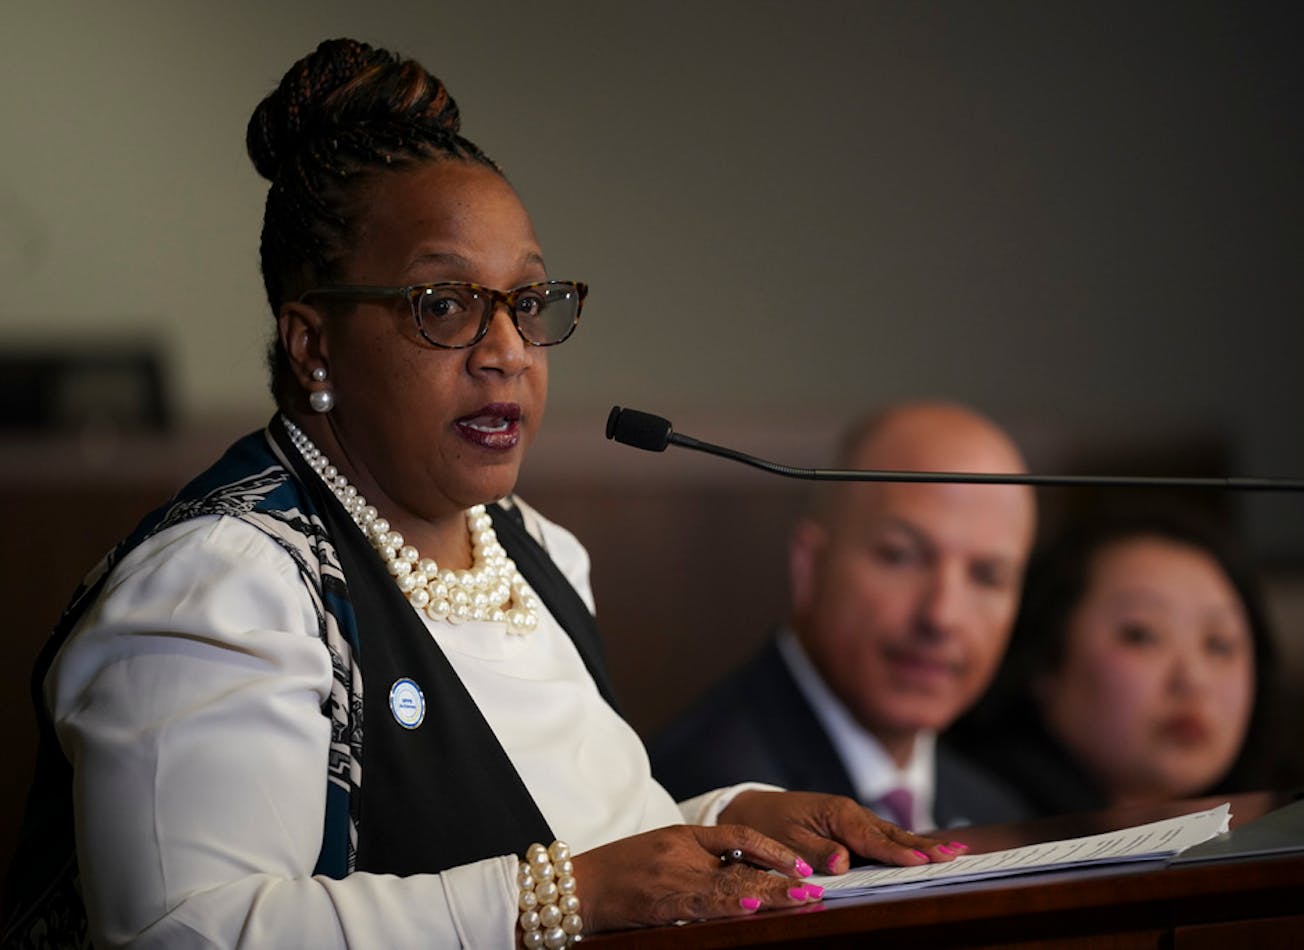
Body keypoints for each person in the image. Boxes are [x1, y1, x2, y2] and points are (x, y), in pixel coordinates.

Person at [0, 38, 964, 949]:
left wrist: (726, 822)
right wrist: (566, 901)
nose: (506, 352)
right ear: (314, 347)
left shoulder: (530, 546)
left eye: (527, 301)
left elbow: (540, 835)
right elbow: (185, 931)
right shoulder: (223, 584)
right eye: (444, 306)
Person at [649, 402, 1037, 831]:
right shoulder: (706, 801)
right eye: (901, 556)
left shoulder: (997, 811)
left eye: (987, 576)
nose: (942, 616)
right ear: (808, 565)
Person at [953, 509, 1280, 816]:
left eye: (1220, 645)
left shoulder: (1279, 834)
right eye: (1143, 635)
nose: (1194, 678)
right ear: (1045, 658)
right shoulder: (969, 820)